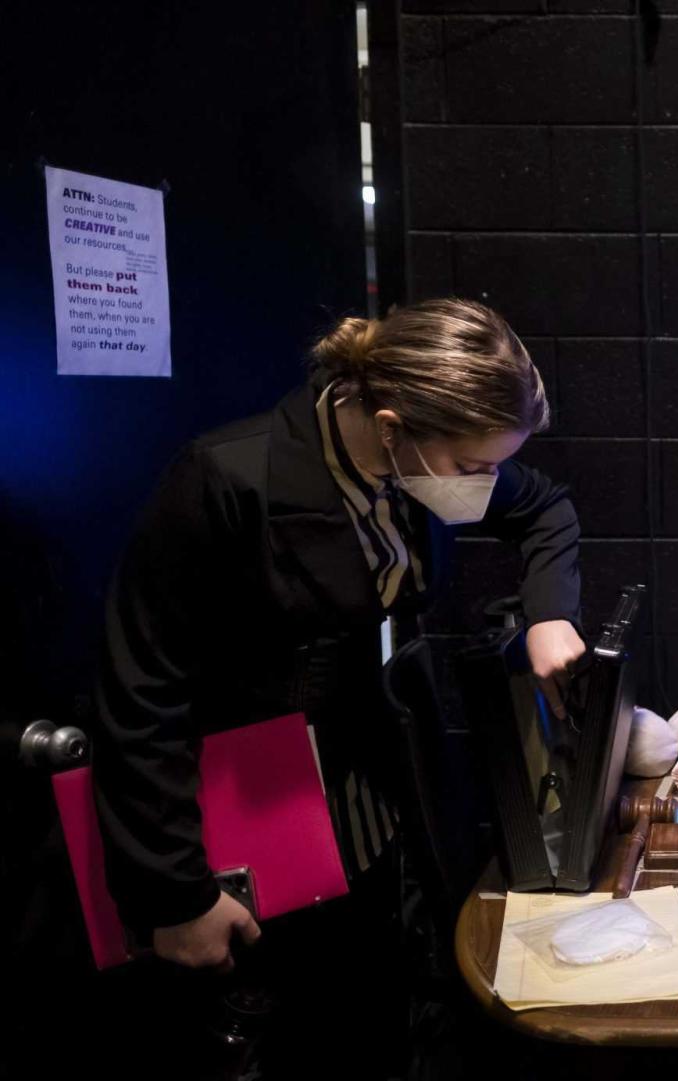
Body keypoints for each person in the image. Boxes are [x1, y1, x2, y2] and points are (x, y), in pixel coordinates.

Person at [89, 298, 585, 1076]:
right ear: (392, 424)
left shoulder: (419, 459)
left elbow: (546, 507)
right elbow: (139, 694)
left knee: (368, 1028)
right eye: (471, 467)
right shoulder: (226, 479)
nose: (485, 485)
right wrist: (173, 893)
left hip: (358, 793)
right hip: (233, 806)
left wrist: (550, 617)